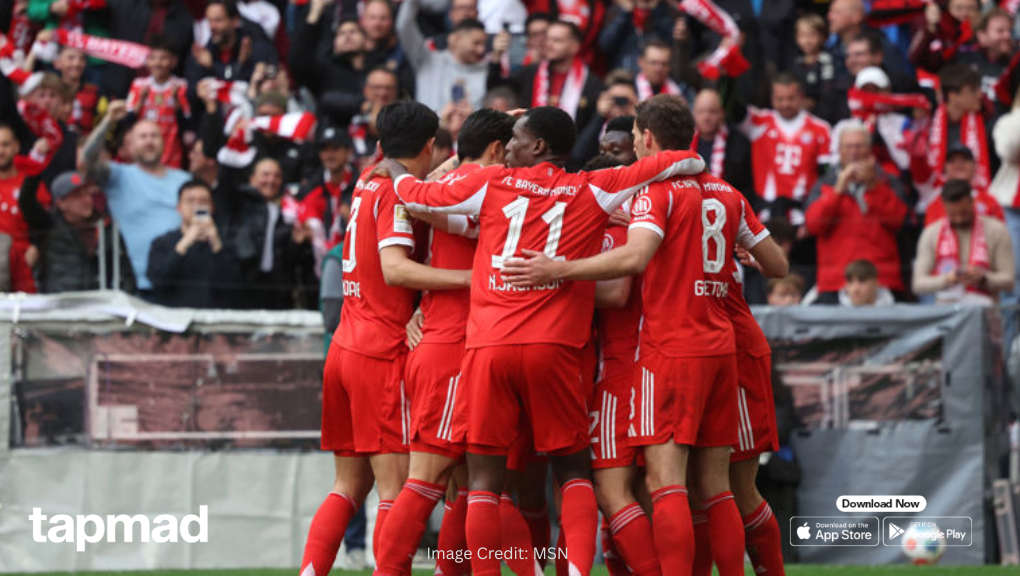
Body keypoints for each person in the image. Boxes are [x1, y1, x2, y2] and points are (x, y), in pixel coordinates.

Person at [377, 103, 708, 576]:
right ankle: (573, 570)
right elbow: (680, 161)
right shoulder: (589, 188)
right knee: (572, 473)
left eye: (515, 138)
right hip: (555, 349)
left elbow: (419, 195)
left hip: (487, 348)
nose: (506, 147)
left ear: (538, 145)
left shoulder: (490, 182)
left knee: (484, 484)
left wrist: (394, 167)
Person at [497, 95, 788, 576]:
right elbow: (777, 265)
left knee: (663, 485)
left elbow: (631, 264)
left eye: (630, 140)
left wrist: (560, 268)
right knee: (719, 490)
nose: (627, 149)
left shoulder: (653, 197)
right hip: (725, 347)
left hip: (666, 351)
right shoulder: (727, 194)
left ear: (647, 138)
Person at [297, 101, 472, 576]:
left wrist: (467, 148)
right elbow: (394, 268)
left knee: (347, 487)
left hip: (344, 346)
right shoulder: (397, 192)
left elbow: (422, 172)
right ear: (429, 146)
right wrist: (471, 278)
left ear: (379, 145)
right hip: (381, 350)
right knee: (400, 491)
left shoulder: (368, 179)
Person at [371, 108, 522, 576]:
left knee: (469, 485)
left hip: (451, 340)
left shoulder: (445, 188)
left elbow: (428, 190)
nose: (520, 156)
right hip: (455, 345)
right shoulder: (498, 189)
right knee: (442, 481)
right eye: (514, 147)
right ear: (498, 151)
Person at [82, 100, 192, 299]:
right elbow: (87, 159)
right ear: (130, 144)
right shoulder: (118, 176)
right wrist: (108, 121)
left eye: (154, 136)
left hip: (181, 279)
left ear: (164, 141)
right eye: (142, 137)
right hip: (134, 284)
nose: (149, 141)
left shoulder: (185, 180)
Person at [805, 123, 907, 302]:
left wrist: (873, 187)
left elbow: (899, 221)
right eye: (849, 146)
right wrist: (837, 190)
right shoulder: (824, 184)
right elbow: (814, 226)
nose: (854, 152)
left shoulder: (888, 182)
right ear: (840, 150)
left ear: (870, 149)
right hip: (837, 282)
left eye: (859, 146)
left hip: (880, 280)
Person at [18, 170, 134, 293]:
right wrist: (37, 164)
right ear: (60, 203)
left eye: (88, 194)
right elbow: (26, 201)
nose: (86, 200)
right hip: (60, 304)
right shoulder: (49, 226)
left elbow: (126, 274)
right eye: (78, 196)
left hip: (100, 305)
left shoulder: (106, 227)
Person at [738, 74, 831, 225]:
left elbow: (826, 175)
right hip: (765, 215)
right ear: (771, 98)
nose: (785, 104)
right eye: (779, 99)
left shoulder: (821, 129)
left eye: (791, 98)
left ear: (801, 97)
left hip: (802, 213)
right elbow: (732, 106)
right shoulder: (759, 122)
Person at [913, 179, 1015, 305]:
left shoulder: (996, 230)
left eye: (964, 213)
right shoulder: (932, 233)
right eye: (953, 214)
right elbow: (918, 284)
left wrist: (984, 279)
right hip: (947, 312)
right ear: (944, 206)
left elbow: (1009, 281)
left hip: (986, 311)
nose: (959, 219)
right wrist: (947, 279)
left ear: (972, 202)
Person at [491, 20, 603, 129]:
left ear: (575, 46)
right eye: (548, 39)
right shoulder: (530, 72)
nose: (549, 44)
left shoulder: (591, 84)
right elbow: (496, 87)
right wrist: (496, 56)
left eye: (557, 40)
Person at [146, 180, 242, 308]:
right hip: (174, 321)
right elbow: (158, 282)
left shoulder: (225, 243)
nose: (196, 206)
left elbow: (234, 286)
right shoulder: (162, 243)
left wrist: (216, 243)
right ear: (179, 208)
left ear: (212, 207)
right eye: (190, 201)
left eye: (203, 201)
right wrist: (185, 243)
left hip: (214, 322)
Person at [396, 0, 489, 111]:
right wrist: (411, 2)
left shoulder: (486, 70)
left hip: (469, 128)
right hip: (427, 127)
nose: (481, 50)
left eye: (483, 44)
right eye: (476, 43)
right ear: (455, 39)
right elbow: (403, 27)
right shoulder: (427, 58)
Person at [126, 36, 191, 169]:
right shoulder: (138, 85)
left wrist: (176, 100)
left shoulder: (181, 86)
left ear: (173, 62)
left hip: (172, 154)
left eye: (163, 58)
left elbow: (187, 123)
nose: (157, 63)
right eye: (153, 58)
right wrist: (141, 100)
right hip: (143, 153)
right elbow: (128, 121)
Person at [0, 122, 50, 293]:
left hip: (26, 265)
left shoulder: (30, 182)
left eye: (5, 145)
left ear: (16, 146)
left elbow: (45, 222)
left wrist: (36, 248)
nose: (1, 151)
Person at [185, 0, 278, 87]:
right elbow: (192, 92)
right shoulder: (204, 54)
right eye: (209, 21)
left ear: (234, 20)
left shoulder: (256, 48)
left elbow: (263, 85)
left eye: (218, 20)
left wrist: (244, 64)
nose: (212, 26)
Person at [691, 88, 754, 206]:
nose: (706, 117)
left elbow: (747, 188)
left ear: (722, 113)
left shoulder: (739, 144)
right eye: (701, 112)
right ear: (693, 113)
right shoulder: (684, 142)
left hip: (728, 209)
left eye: (712, 112)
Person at [924, 143, 1004, 227]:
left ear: (975, 166)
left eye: (964, 160)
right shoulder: (935, 204)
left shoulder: (990, 201)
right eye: (952, 161)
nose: (958, 164)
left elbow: (999, 234)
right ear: (945, 168)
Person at [598, 0, 677, 73]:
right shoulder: (616, 12)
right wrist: (625, 14)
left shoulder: (666, 12)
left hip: (656, 77)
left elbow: (674, 44)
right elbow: (606, 45)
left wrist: (658, 11)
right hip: (624, 78)